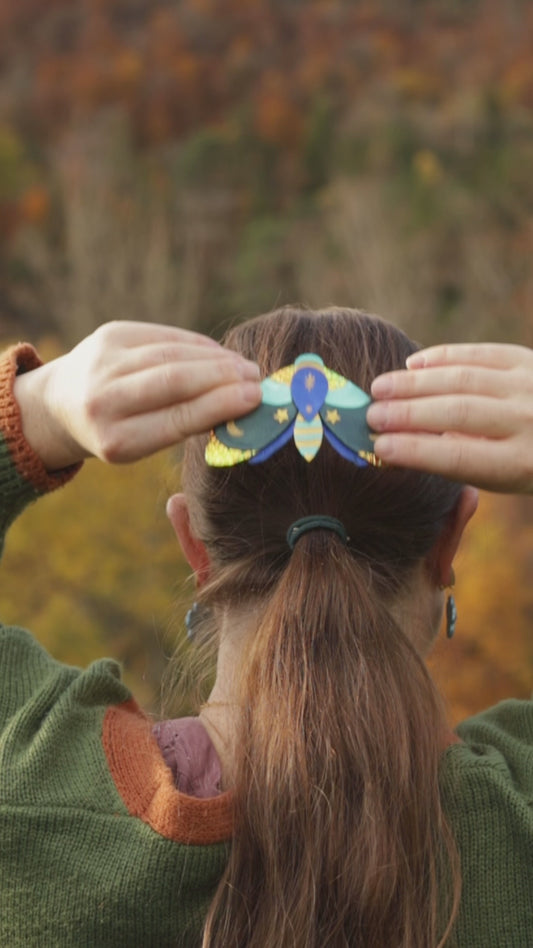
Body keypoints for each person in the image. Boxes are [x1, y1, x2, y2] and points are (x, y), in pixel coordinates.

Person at [0, 308, 531, 947]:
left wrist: (37, 411)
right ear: (451, 541)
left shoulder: (30, 798)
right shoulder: (515, 824)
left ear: (193, 545)